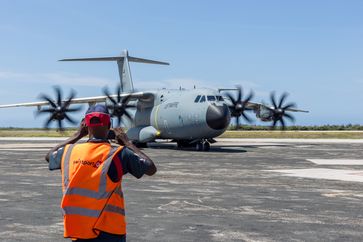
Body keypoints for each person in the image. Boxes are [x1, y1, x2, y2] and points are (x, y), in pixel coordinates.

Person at [45, 104, 157, 242]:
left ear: (85, 125)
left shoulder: (68, 152)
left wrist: (77, 135)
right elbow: (151, 168)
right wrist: (128, 143)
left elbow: (49, 156)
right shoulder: (119, 154)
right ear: (109, 124)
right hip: (109, 230)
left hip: (80, 229)